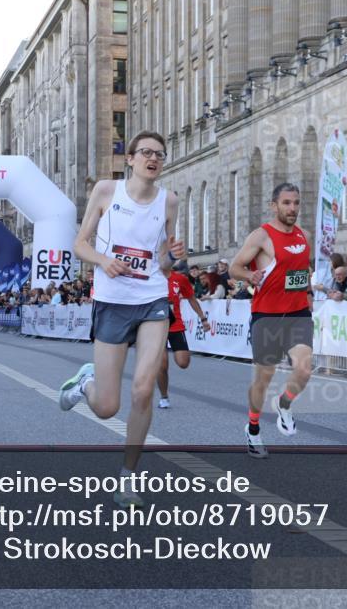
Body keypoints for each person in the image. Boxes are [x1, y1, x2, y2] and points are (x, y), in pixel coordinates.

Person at [57, 130, 184, 508]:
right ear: (129, 159)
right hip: (112, 301)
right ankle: (86, 385)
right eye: (146, 152)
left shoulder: (169, 201)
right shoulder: (106, 192)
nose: (153, 159)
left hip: (152, 298)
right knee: (108, 407)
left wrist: (173, 256)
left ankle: (128, 478)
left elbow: (164, 260)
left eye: (160, 154)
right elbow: (79, 244)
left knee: (144, 388)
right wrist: (103, 261)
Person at [230, 183, 313, 459]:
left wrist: (308, 287)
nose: (293, 208)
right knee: (263, 378)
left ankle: (284, 404)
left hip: (298, 313)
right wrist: (249, 276)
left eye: (296, 203)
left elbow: (301, 270)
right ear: (274, 205)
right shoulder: (261, 236)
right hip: (267, 316)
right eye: (287, 203)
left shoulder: (304, 234)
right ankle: (253, 426)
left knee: (303, 370)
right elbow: (234, 267)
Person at [157, 267, 211, 409]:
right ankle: (164, 397)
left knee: (183, 362)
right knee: (162, 365)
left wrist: (203, 319)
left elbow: (192, 299)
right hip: (156, 326)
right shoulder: (152, 276)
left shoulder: (180, 279)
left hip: (175, 325)